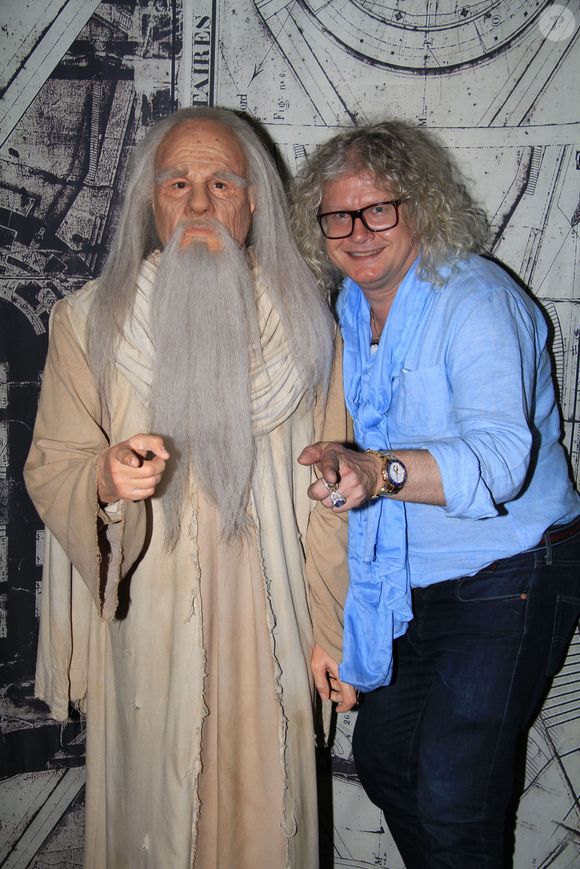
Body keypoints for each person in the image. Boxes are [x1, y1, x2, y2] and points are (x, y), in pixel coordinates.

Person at [24, 107, 339, 869]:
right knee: (154, 815)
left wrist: (331, 630)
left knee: (268, 810)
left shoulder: (309, 325)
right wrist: (104, 477)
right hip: (149, 615)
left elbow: (334, 500)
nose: (199, 203)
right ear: (151, 200)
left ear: (253, 200)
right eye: (177, 183)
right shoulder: (88, 321)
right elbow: (54, 460)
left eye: (221, 183)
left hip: (272, 615)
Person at [291, 120, 580, 867]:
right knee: (385, 762)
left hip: (511, 570)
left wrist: (378, 470)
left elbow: (501, 460)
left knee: (455, 796)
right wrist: (344, 459)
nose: (357, 232)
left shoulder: (474, 298)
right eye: (337, 216)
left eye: (378, 209)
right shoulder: (351, 306)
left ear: (419, 207)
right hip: (413, 580)